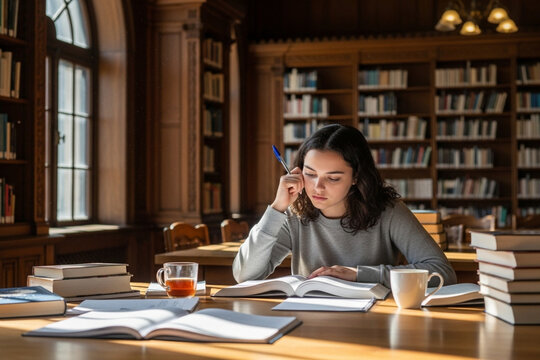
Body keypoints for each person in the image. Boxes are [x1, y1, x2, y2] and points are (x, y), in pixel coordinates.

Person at [233, 124, 457, 288]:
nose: (317, 188)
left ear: (356, 177)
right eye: (310, 174)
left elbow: (442, 272)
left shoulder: (389, 211)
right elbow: (244, 275)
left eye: (333, 178)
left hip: (375, 321)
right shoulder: (293, 213)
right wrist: (277, 208)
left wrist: (359, 274)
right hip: (310, 320)